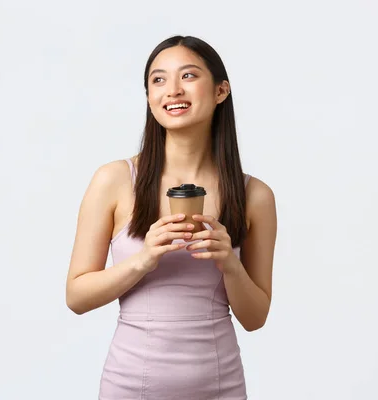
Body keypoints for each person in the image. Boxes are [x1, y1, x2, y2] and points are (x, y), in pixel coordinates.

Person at [65, 35, 277, 399]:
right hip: (131, 387)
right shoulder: (114, 180)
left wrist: (230, 264)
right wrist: (142, 261)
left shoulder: (255, 195)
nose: (172, 91)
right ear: (148, 96)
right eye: (158, 80)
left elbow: (255, 319)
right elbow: (76, 297)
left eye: (189, 76)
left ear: (221, 91)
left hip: (221, 386)